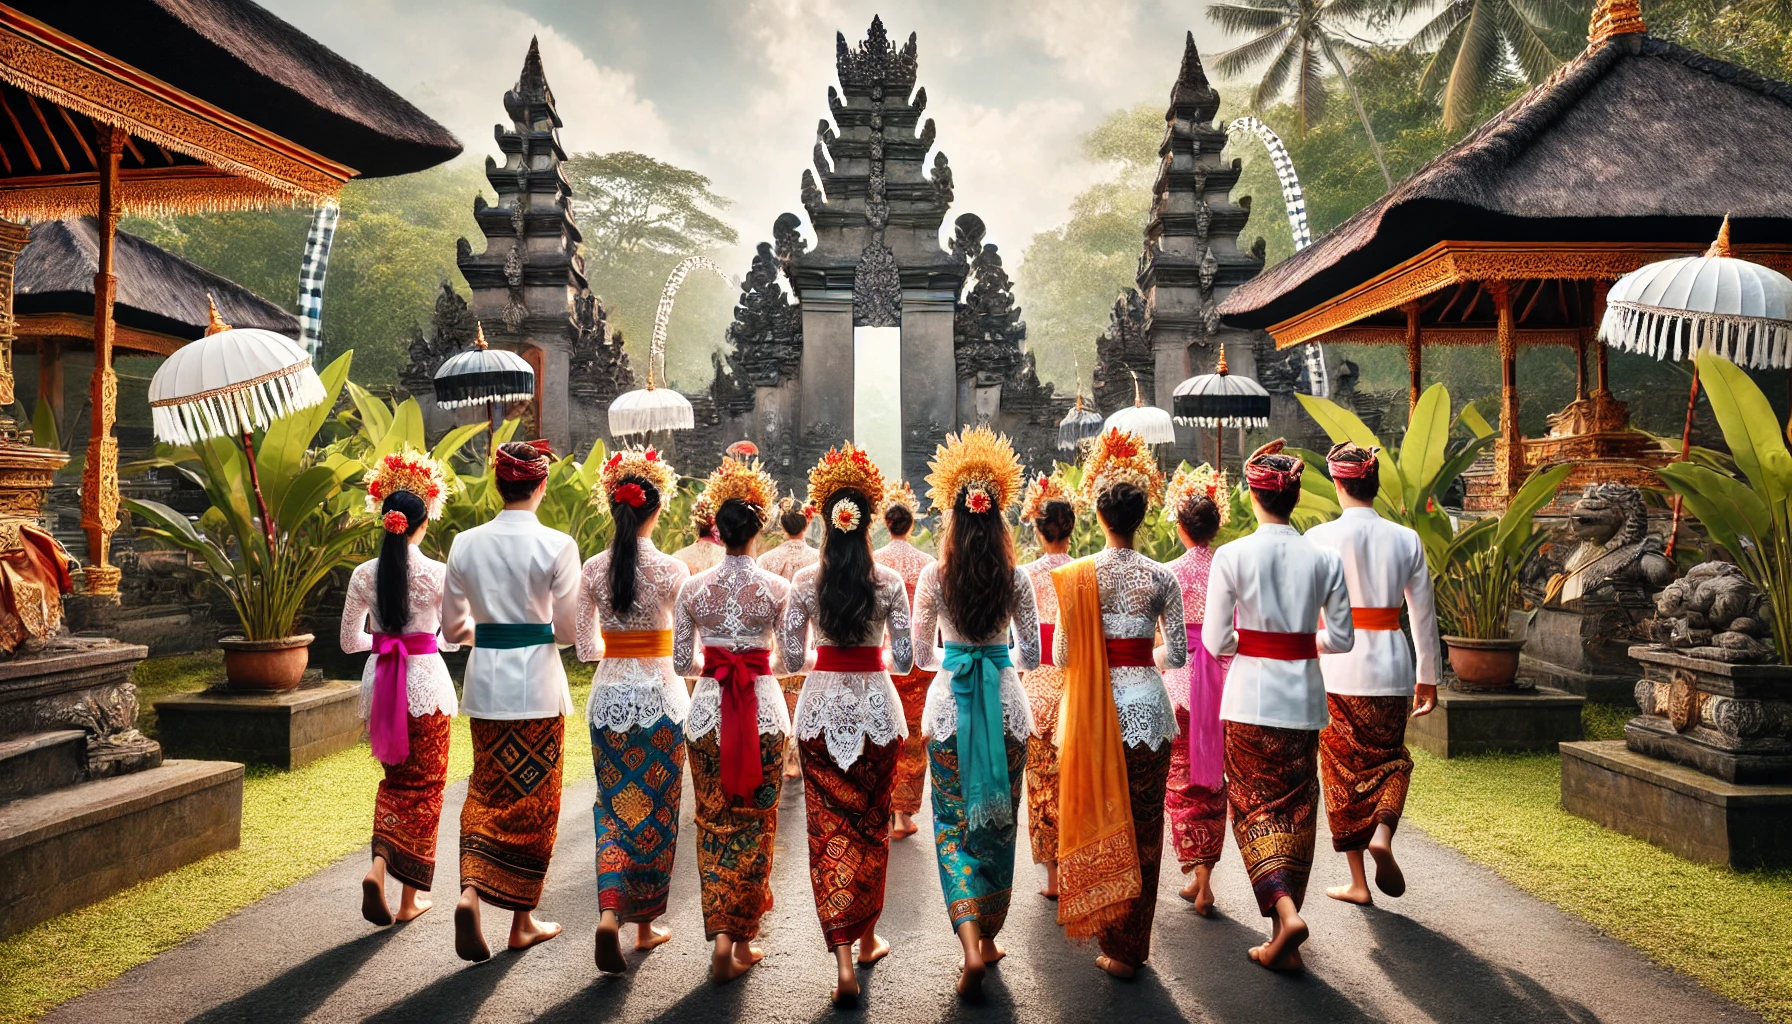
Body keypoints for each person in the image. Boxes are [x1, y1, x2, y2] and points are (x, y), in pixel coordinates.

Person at [1203, 439, 1354, 972]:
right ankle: (1282, 932)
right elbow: (1341, 639)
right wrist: (1295, 643)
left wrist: (1260, 642)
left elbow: (1218, 642)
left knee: (1252, 808)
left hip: (1248, 701)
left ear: (1253, 494)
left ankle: (1284, 915)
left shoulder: (1232, 555)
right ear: (1294, 496)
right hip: (1304, 701)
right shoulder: (1324, 557)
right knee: (1296, 808)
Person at [777, 442, 912, 1007]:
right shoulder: (889, 582)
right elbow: (904, 660)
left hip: (819, 711)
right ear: (867, 516)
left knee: (826, 830)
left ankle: (840, 956)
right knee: (870, 826)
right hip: (879, 712)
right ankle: (869, 937)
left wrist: (822, 652)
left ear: (826, 515)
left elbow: (787, 657)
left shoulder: (805, 581)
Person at [1050, 429, 1185, 979]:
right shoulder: (1161, 576)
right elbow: (1175, 652)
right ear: (1141, 517)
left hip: (1093, 716)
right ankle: (1134, 946)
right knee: (1146, 826)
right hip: (1150, 710)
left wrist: (1103, 656)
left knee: (1104, 816)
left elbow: (1062, 656)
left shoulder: (1078, 577)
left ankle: (1112, 935)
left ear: (1099, 518)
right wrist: (1137, 654)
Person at [441, 439, 581, 963]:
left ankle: (472, 892)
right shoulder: (558, 545)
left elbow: (454, 628)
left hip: (485, 687)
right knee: (537, 802)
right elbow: (567, 629)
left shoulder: (464, 543)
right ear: (540, 485)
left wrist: (493, 633)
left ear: (498, 484)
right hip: (539, 687)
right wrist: (532, 628)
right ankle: (521, 920)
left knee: (486, 788)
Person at [912, 426, 1037, 999]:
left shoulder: (934, 577)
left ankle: (967, 942)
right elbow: (1031, 653)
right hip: (1007, 706)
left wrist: (956, 652)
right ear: (999, 517)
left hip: (947, 709)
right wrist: (993, 651)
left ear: (953, 518)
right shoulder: (1017, 578)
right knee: (999, 822)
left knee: (952, 825)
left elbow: (917, 654)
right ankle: (987, 939)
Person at [672, 455, 791, 983]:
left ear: (717, 532)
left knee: (714, 823)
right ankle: (740, 940)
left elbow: (680, 663)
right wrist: (750, 656)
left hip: (705, 716)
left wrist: (716, 658)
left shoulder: (692, 589)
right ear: (757, 531)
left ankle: (721, 935)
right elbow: (789, 659)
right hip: (762, 710)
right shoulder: (777, 589)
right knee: (757, 824)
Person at [1304, 441, 1438, 905]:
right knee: (1390, 761)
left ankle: (1359, 882)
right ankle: (1383, 830)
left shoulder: (1317, 539)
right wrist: (1429, 676)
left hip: (1336, 668)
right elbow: (1422, 615)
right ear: (1375, 485)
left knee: (1342, 774)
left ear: (1339, 483)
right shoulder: (1406, 539)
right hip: (1392, 665)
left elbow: (1303, 612)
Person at [575, 445, 691, 974]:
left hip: (608, 702)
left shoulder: (593, 569)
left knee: (614, 808)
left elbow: (583, 648)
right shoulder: (672, 569)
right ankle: (644, 926)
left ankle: (609, 911)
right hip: (664, 702)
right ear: (657, 510)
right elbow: (687, 651)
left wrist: (618, 648)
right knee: (658, 813)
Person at [342, 449, 456, 927]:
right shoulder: (437, 573)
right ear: (422, 521)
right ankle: (410, 899)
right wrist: (417, 641)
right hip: (426, 683)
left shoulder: (363, 574)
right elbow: (449, 641)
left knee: (396, 782)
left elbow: (351, 642)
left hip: (381, 683)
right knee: (427, 788)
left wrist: (386, 643)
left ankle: (379, 865)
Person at [1161, 465, 1232, 915]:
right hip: (1224, 682)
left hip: (1180, 681)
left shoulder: (1169, 572)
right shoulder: (1229, 566)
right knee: (1214, 778)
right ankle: (1205, 880)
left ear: (1183, 528)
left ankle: (1197, 873)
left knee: (1182, 778)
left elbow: (1167, 642)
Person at [1016, 472, 1077, 898]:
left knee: (1041, 784)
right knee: (1074, 781)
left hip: (1034, 685)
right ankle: (1077, 869)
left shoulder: (1025, 574)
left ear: (1038, 531)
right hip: (1076, 685)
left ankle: (1054, 878)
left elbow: (1017, 641)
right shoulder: (1084, 572)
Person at [872, 479, 934, 839]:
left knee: (885, 733)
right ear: (911, 525)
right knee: (913, 736)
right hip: (919, 662)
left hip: (883, 657)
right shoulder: (927, 564)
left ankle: (884, 806)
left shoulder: (875, 563)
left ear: (886, 524)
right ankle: (903, 815)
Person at [759, 494, 818, 779]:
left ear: (782, 525)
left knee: (781, 696)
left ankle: (785, 752)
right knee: (804, 696)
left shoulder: (766, 560)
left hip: (775, 640)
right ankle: (798, 753)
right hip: (810, 640)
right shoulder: (818, 558)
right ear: (807, 523)